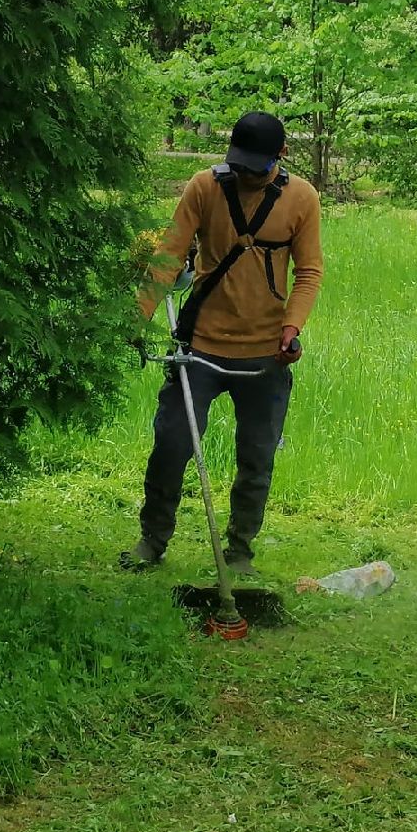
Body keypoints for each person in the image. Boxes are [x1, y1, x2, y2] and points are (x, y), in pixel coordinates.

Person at [124, 112, 323, 574]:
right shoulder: (203, 187)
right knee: (171, 442)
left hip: (266, 351)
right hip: (201, 346)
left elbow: (309, 272)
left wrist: (291, 329)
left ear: (282, 156)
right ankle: (153, 541)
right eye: (239, 164)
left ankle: (239, 553)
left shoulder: (301, 198)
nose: (246, 174)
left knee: (257, 455)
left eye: (256, 166)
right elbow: (170, 255)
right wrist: (138, 317)